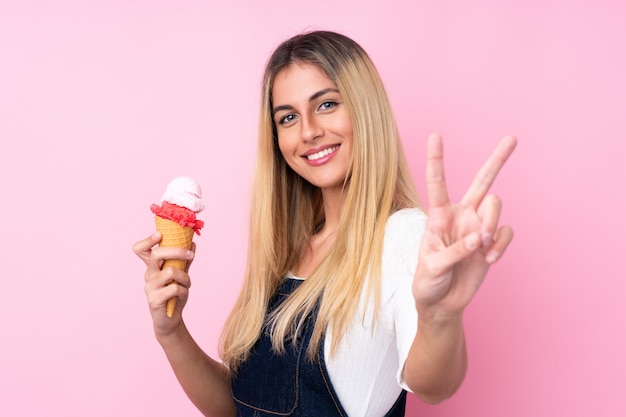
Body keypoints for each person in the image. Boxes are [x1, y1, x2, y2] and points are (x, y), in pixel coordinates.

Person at [133, 30, 516, 417]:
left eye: (327, 104)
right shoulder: (287, 249)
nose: (308, 131)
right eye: (288, 117)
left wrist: (440, 316)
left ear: (366, 110)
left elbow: (432, 384)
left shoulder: (402, 235)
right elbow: (236, 408)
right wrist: (171, 331)